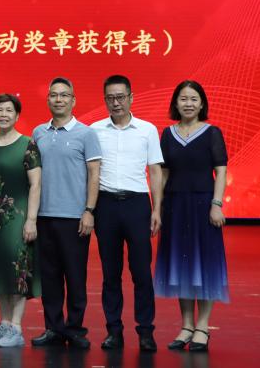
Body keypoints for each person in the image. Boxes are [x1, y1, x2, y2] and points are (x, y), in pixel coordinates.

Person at [90, 75, 164, 352]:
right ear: (105, 100)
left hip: (137, 205)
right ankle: (114, 331)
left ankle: (145, 331)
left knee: (141, 271)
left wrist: (156, 208)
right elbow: (90, 172)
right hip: (106, 205)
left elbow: (155, 171)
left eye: (121, 97)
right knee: (111, 273)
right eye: (110, 98)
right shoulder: (95, 130)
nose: (116, 102)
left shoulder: (147, 130)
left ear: (131, 98)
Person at [154, 80, 229, 353]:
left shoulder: (212, 133)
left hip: (203, 206)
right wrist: (157, 208)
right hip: (175, 206)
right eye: (183, 99)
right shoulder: (167, 134)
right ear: (175, 103)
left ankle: (203, 327)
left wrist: (216, 204)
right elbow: (163, 174)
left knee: (205, 265)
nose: (188, 103)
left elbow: (220, 171)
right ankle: (186, 326)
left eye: (193, 99)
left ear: (202, 104)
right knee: (181, 266)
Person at [31, 77, 102, 350]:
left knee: (75, 276)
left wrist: (89, 210)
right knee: (49, 277)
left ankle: (74, 329)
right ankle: (53, 328)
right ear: (48, 99)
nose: (58, 99)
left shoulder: (86, 134)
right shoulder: (39, 132)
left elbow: (94, 174)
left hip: (74, 218)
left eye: (64, 95)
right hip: (44, 216)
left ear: (73, 100)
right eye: (53, 95)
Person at [0, 93, 42, 349]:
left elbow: (36, 185)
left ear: (17, 115)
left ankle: (16, 327)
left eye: (9, 110)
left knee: (18, 273)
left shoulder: (28, 145)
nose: (4, 115)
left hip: (18, 220)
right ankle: (4, 323)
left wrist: (31, 220)